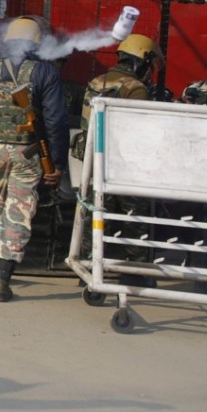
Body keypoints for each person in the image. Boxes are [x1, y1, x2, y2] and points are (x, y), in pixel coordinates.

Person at [0, 16, 68, 302]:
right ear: (37, 44)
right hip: (27, 153)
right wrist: (57, 163)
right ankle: (2, 280)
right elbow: (56, 121)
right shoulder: (46, 73)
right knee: (18, 211)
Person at [72, 34, 164, 286]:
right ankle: (136, 273)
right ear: (141, 61)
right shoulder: (136, 88)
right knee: (134, 218)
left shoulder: (97, 81)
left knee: (96, 217)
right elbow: (139, 130)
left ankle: (89, 271)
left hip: (95, 162)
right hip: (125, 166)